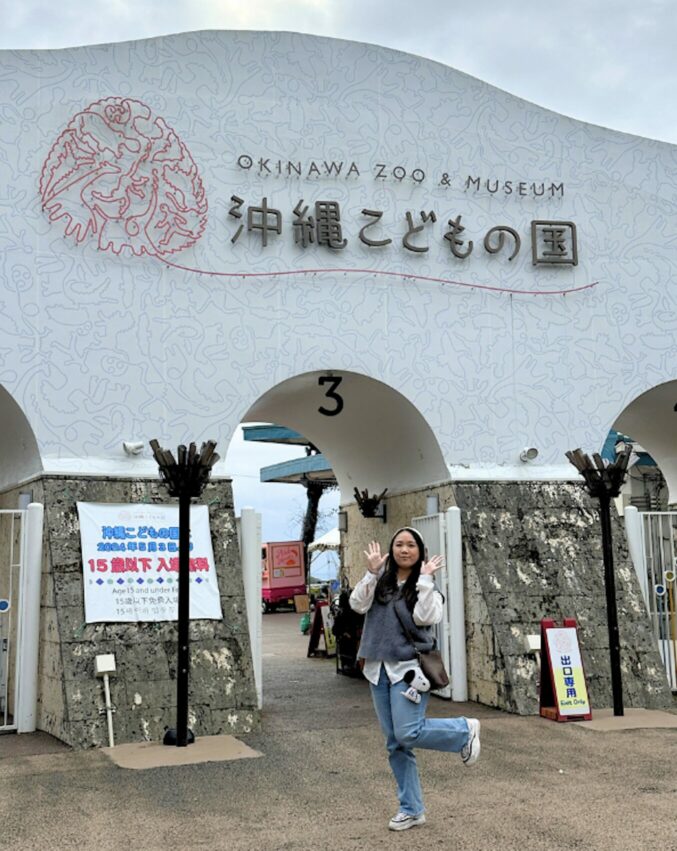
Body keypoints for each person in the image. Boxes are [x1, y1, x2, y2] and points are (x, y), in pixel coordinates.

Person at [349, 527, 480, 832]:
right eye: (399, 544)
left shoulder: (426, 586)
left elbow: (426, 617)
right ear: (392, 549)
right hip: (378, 670)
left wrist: (426, 580)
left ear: (420, 551)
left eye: (411, 545)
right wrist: (371, 572)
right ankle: (411, 809)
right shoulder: (379, 582)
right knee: (395, 743)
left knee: (408, 733)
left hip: (409, 671)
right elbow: (357, 604)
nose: (404, 550)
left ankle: (463, 730)